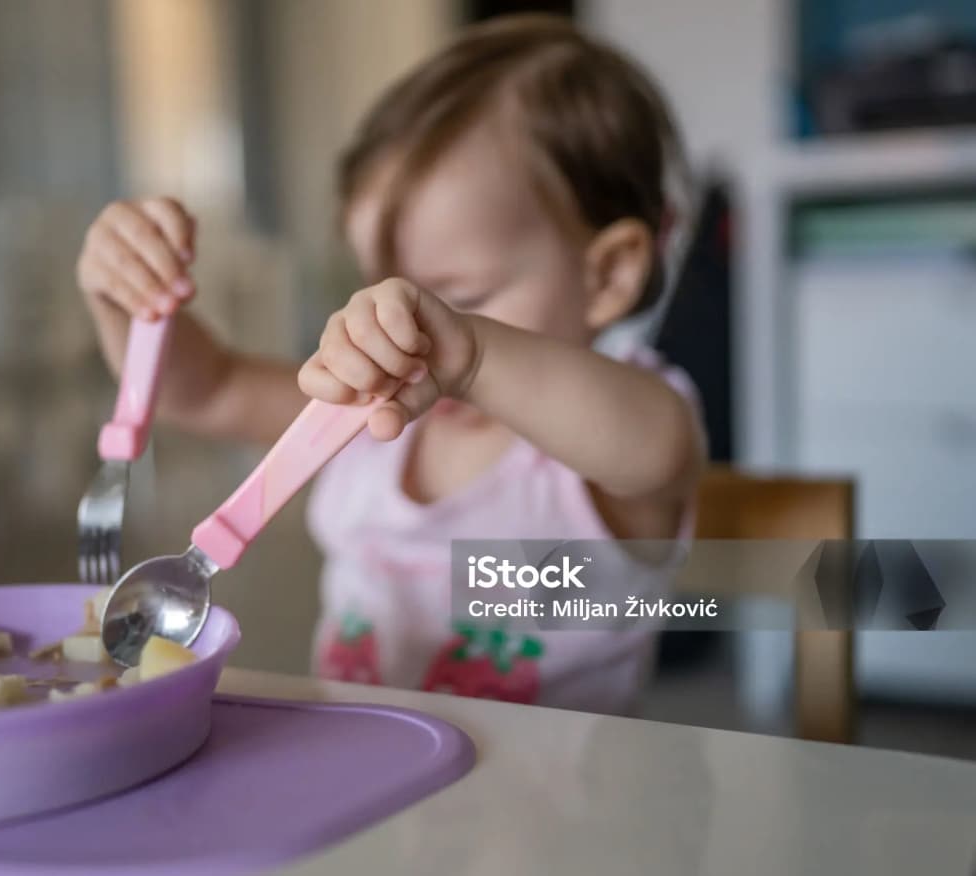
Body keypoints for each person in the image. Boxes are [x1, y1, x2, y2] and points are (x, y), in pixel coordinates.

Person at [74, 14, 707, 715]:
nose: (409, 325)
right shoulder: (358, 413)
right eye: (384, 288)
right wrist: (129, 299)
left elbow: (659, 449)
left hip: (562, 816)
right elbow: (209, 388)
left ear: (609, 273)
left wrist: (472, 352)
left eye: (457, 297)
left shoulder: (607, 440)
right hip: (371, 804)